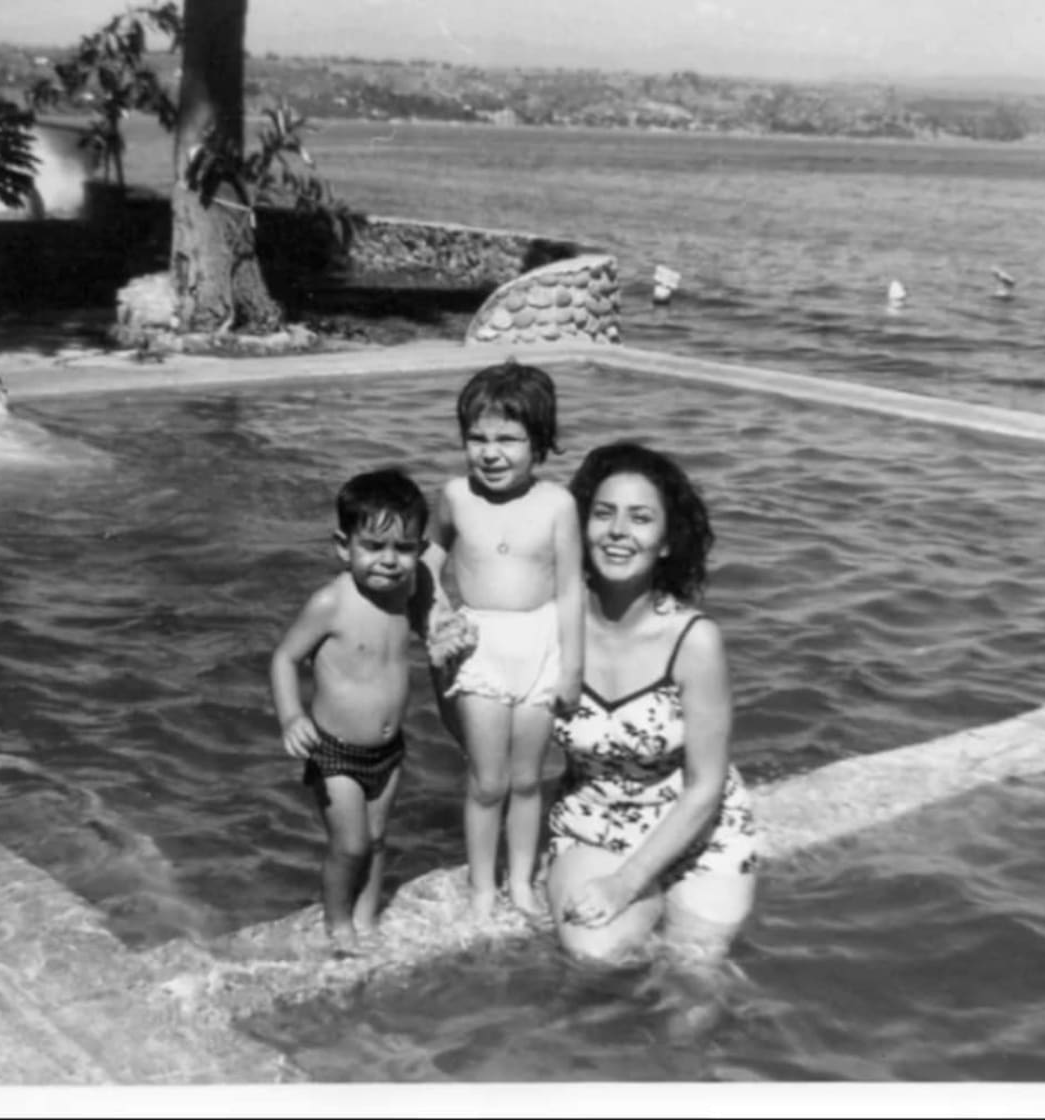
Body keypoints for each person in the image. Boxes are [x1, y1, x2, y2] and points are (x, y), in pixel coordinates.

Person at [546, 441, 758, 968]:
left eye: (640, 519)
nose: (619, 532)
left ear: (665, 543)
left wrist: (629, 883)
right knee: (596, 955)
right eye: (603, 514)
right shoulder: (551, 624)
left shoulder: (694, 640)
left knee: (696, 975)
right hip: (593, 821)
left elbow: (706, 785)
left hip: (696, 829)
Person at [424, 360, 585, 919]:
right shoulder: (455, 496)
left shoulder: (557, 505)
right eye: (478, 439)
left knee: (526, 778)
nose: (491, 453)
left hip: (542, 647)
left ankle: (519, 880)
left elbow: (570, 590)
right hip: (479, 648)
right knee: (487, 778)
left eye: (509, 440)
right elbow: (430, 555)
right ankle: (481, 888)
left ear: (538, 442)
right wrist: (436, 607)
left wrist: (573, 667)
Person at [270, 467, 449, 952]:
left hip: (388, 749)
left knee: (376, 839)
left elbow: (437, 558)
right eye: (373, 547)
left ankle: (367, 919)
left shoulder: (405, 589)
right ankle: (338, 924)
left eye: (403, 548)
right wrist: (291, 716)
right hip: (335, 751)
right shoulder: (331, 602)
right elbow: (285, 657)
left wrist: (443, 627)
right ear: (342, 546)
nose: (389, 561)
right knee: (349, 844)